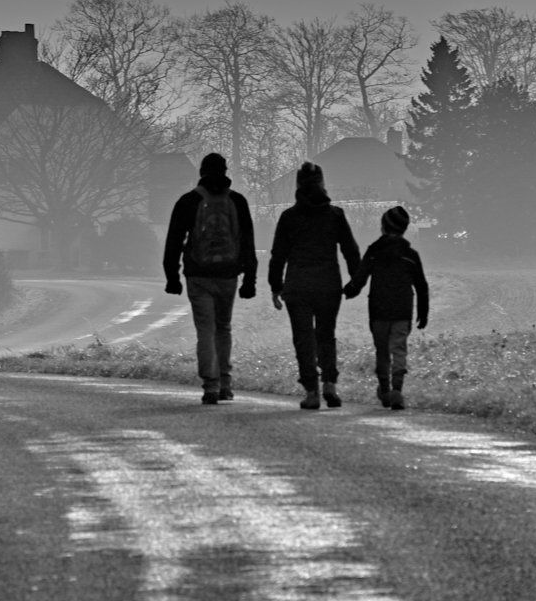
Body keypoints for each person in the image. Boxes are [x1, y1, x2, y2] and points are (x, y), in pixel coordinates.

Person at [163, 152, 257, 404]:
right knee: (223, 328)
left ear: (201, 172)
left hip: (198, 275)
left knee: (205, 329)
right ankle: (225, 382)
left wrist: (172, 276)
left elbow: (174, 241)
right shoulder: (237, 201)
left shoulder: (188, 201)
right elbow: (247, 242)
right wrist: (251, 279)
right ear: (225, 172)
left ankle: (211, 386)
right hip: (228, 275)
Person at [267, 162, 361, 410]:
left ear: (298, 185)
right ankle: (330, 383)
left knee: (303, 338)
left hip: (297, 285)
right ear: (322, 184)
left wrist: (275, 286)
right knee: (326, 336)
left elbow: (278, 255)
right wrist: (356, 280)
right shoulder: (335, 215)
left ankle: (312, 391)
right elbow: (350, 249)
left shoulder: (289, 217)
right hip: (329, 284)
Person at [344, 204, 429, 409]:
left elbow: (360, 278)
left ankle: (384, 390)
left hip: (379, 310)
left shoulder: (374, 252)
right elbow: (421, 286)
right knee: (399, 349)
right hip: (402, 310)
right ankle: (397, 390)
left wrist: (347, 291)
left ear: (383, 226)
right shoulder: (410, 255)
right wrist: (423, 313)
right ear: (404, 228)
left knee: (382, 351)